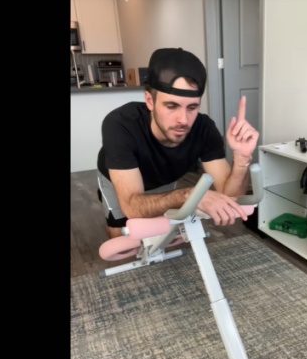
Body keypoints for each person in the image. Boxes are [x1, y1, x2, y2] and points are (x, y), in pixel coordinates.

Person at [96, 47, 259, 239]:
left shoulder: (204, 129)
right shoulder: (120, 125)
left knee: (161, 230)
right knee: (122, 236)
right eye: (171, 106)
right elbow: (132, 207)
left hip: (163, 178)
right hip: (120, 178)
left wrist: (241, 160)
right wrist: (189, 195)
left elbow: (230, 196)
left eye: (192, 107)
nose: (183, 120)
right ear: (149, 101)